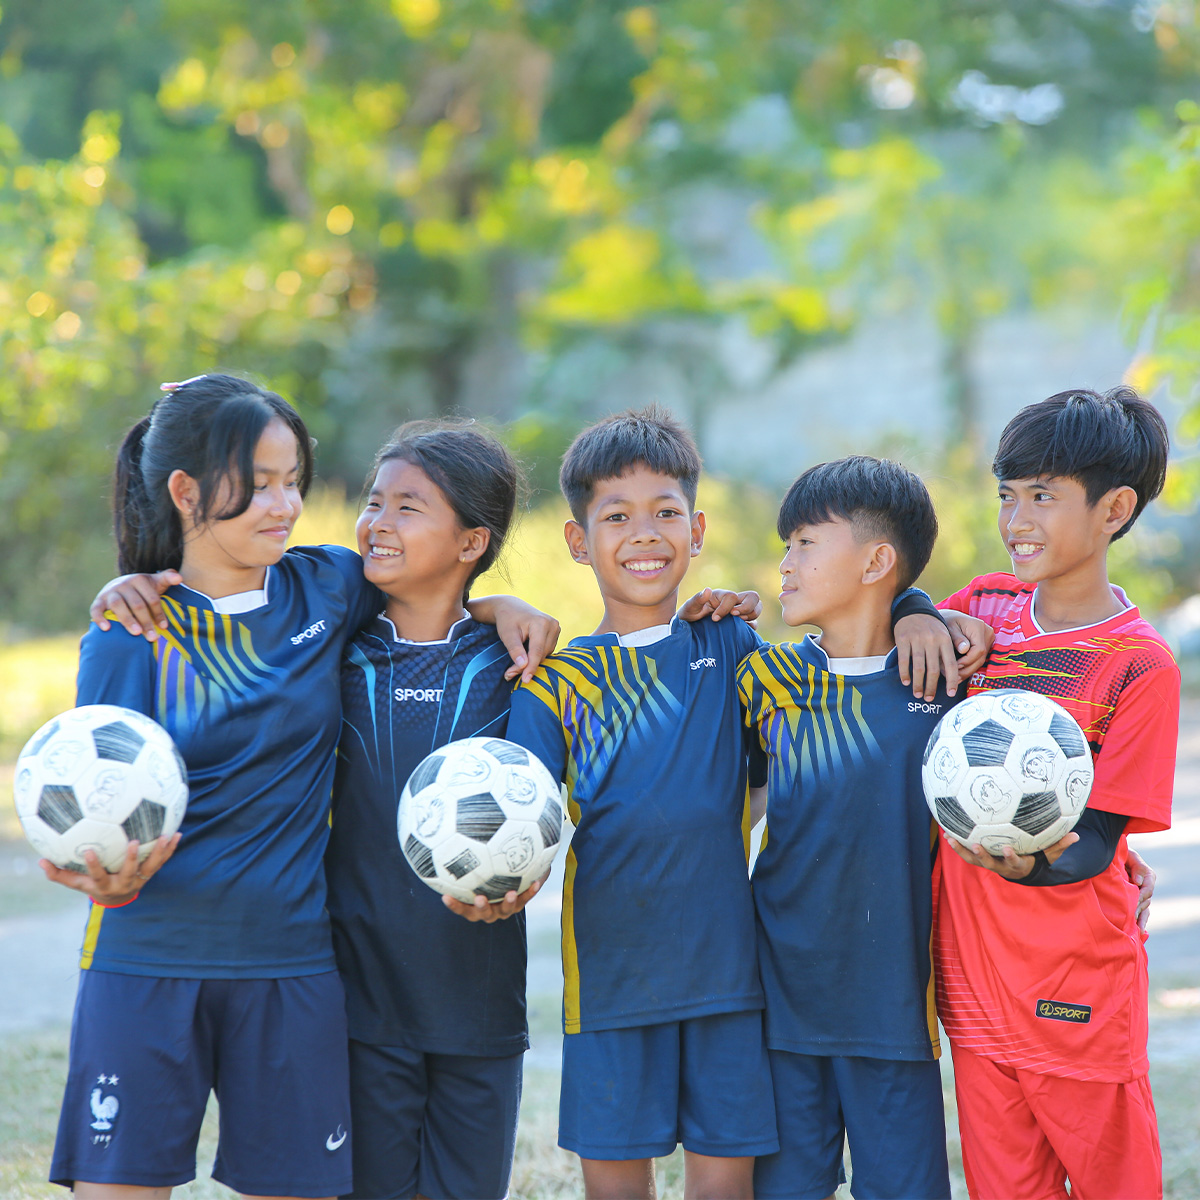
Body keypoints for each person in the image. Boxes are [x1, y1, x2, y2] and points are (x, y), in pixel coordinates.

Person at [54, 376, 557, 1200]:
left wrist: (506, 605)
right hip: (146, 957)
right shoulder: (129, 633)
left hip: (291, 967)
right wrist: (91, 869)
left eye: (294, 481)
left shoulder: (325, 587)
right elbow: (88, 801)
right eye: (259, 484)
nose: (285, 504)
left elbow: (435, 585)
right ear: (185, 491)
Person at [500, 405, 777, 1200]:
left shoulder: (728, 645)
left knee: (725, 1185)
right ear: (578, 541)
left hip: (729, 974)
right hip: (613, 980)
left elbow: (762, 781)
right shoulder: (555, 679)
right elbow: (525, 816)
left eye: (666, 513)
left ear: (697, 530)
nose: (645, 534)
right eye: (616, 516)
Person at [932, 386, 1180, 1200]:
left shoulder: (1137, 665)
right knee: (1006, 1188)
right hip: (972, 983)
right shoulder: (988, 607)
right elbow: (901, 618)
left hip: (1073, 986)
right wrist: (916, 617)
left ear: (1113, 508)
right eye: (1007, 495)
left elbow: (1099, 843)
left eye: (1043, 496)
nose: (1017, 520)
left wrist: (1009, 862)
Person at [739, 455, 966, 1200]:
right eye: (787, 544)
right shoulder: (762, 680)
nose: (785, 562)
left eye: (806, 542)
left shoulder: (945, 687)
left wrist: (920, 606)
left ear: (876, 561)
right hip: (779, 1009)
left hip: (895, 1013)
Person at [325, 420, 535, 1200]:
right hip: (359, 1009)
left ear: (471, 540)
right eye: (373, 502)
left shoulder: (514, 667)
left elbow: (541, 813)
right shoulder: (333, 652)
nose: (377, 522)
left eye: (408, 508)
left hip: (478, 1006)